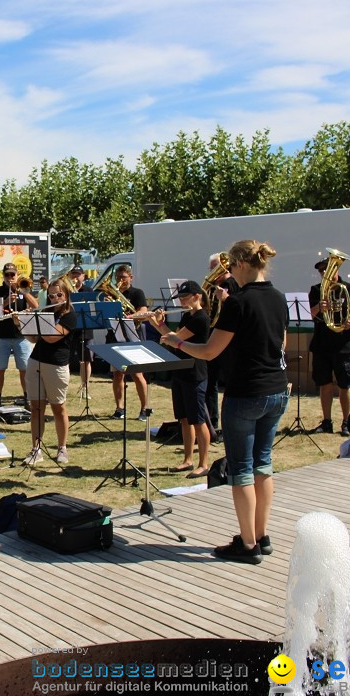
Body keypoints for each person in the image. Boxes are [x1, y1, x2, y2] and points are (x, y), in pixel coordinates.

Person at [160, 240, 288, 565]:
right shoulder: (278, 297)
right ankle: (261, 535)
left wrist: (176, 341)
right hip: (276, 389)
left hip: (246, 392)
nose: (227, 272)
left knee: (242, 469)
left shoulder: (238, 302)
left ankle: (247, 545)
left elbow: (208, 351)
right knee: (263, 464)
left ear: (242, 265)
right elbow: (279, 343)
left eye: (230, 266)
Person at [150, 281, 213, 478]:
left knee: (198, 419)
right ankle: (188, 459)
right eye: (181, 298)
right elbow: (172, 339)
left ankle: (203, 463)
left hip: (195, 372)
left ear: (197, 296)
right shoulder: (188, 315)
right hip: (180, 369)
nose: (182, 301)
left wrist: (159, 324)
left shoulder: (201, 318)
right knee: (183, 418)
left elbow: (176, 339)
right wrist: (156, 324)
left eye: (186, 298)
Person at [309, 256, 350, 437]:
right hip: (322, 343)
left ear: (336, 270)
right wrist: (320, 306)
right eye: (321, 271)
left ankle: (346, 422)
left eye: (327, 270)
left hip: (343, 344)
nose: (324, 274)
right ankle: (327, 421)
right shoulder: (316, 290)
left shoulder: (349, 289)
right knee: (324, 384)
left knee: (345, 384)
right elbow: (310, 314)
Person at [19, 278, 76, 466]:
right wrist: (22, 323)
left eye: (58, 295)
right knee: (36, 409)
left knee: (58, 408)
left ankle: (62, 448)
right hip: (36, 361)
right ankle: (36, 449)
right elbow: (33, 338)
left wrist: (34, 322)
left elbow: (53, 337)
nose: (54, 298)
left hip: (57, 364)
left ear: (66, 294)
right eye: (51, 296)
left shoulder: (70, 315)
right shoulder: (45, 312)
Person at [0, 263, 37, 408]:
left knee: (24, 368)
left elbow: (36, 306)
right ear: (3, 276)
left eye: (12, 275)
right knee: (0, 368)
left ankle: (27, 397)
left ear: (17, 275)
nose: (10, 278)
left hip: (21, 336)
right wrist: (6, 301)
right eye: (7, 275)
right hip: (2, 335)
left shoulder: (24, 289)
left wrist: (24, 291)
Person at [205, 252, 239, 442]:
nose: (212, 272)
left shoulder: (232, 285)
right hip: (215, 337)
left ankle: (224, 425)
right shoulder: (215, 286)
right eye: (211, 268)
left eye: (214, 268)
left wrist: (225, 299)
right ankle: (211, 422)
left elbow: (237, 310)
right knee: (211, 383)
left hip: (227, 341)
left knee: (224, 385)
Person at [108, 265, 150, 419]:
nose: (120, 281)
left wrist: (130, 317)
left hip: (132, 335)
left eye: (123, 277)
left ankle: (144, 409)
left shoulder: (137, 293)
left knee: (137, 374)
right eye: (118, 277)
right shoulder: (112, 293)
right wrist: (108, 305)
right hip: (115, 336)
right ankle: (120, 408)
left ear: (130, 278)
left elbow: (143, 312)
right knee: (117, 374)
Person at [68, 266, 94, 397]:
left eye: (78, 275)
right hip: (69, 329)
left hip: (85, 328)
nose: (75, 277)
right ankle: (63, 387)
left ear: (83, 276)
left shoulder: (89, 290)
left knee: (86, 360)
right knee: (66, 358)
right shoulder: (66, 291)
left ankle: (85, 388)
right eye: (73, 275)